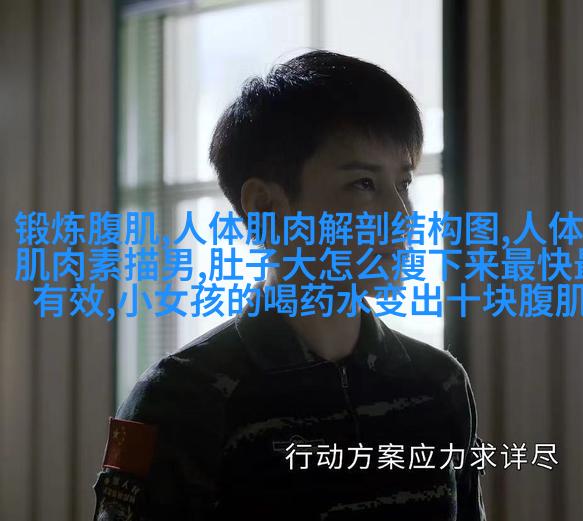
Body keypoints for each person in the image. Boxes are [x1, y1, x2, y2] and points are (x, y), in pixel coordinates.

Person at [93, 50, 487, 520]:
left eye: (403, 184)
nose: (402, 217)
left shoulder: (438, 383)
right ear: (266, 207)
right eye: (363, 184)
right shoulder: (182, 398)